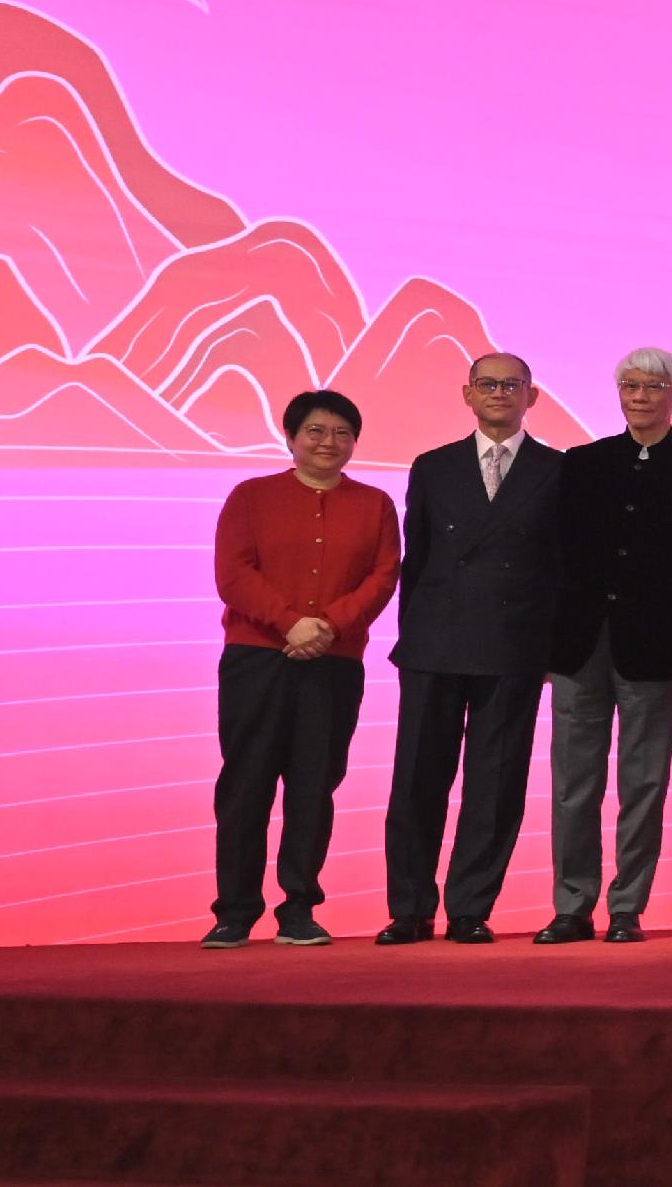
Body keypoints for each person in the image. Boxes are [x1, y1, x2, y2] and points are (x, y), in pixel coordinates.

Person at [535, 347, 672, 945]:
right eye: (629, 385)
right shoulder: (581, 463)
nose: (639, 396)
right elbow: (554, 557)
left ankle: (626, 907)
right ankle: (571, 905)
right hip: (579, 644)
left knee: (643, 783)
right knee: (573, 782)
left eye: (653, 387)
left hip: (657, 649)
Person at [203, 390, 400, 948]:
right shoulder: (251, 497)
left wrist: (328, 626)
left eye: (341, 433)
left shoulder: (375, 504)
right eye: (315, 431)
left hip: (334, 663)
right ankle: (234, 912)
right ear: (290, 437)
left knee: (314, 785)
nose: (327, 443)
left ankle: (299, 909)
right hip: (256, 658)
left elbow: (383, 578)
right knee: (246, 783)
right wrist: (290, 624)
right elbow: (233, 573)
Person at [382, 352, 564, 946]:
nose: (499, 393)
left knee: (496, 782)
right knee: (416, 778)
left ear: (531, 398)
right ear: (467, 394)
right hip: (434, 641)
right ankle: (408, 908)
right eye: (487, 384)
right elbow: (419, 558)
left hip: (514, 647)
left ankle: (470, 908)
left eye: (512, 385)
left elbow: (561, 570)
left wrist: (550, 649)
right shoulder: (433, 466)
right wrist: (411, 635)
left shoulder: (555, 469)